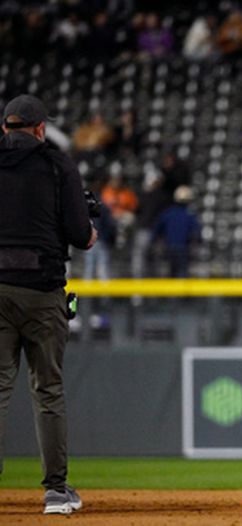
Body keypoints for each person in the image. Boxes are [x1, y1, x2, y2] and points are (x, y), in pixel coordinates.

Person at [0, 94, 96, 514]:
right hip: (42, 291)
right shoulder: (57, 165)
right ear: (40, 129)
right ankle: (56, 491)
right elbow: (80, 234)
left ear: (6, 127)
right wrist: (89, 223)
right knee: (48, 390)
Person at [151, 185, 202, 278]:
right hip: (183, 249)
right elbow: (197, 232)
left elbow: (156, 230)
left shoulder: (167, 213)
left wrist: (155, 242)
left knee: (168, 275)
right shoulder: (189, 215)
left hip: (169, 248)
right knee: (182, 275)